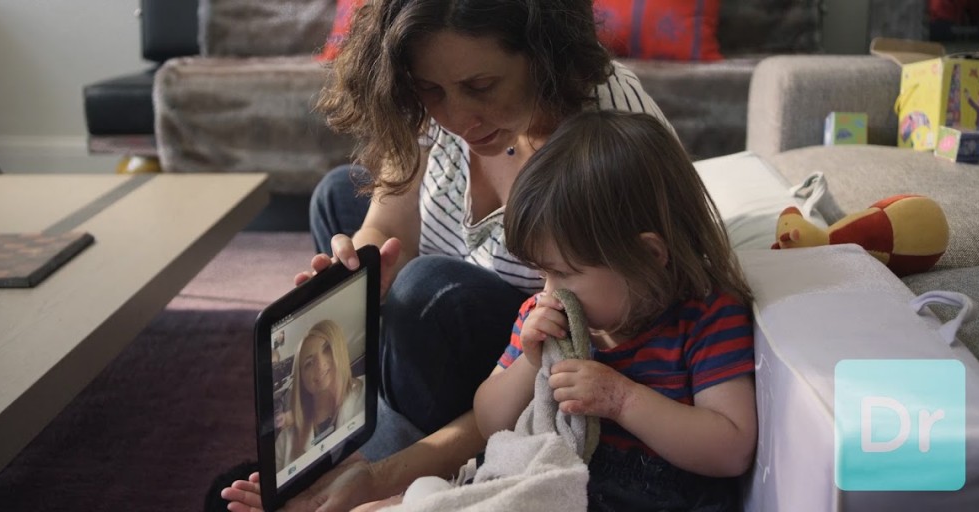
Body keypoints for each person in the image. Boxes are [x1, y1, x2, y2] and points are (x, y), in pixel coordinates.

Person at [222, 0, 673, 509]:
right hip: (448, 330)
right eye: (430, 91)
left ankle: (384, 456)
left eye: (481, 88)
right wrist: (365, 266)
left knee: (427, 293)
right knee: (335, 197)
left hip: (532, 357)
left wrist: (382, 476)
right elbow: (389, 216)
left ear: (543, 55)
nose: (457, 119)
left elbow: (603, 353)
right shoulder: (430, 81)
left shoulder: (601, 136)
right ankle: (361, 425)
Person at [474, 110, 757, 511]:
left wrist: (623, 401)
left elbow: (731, 449)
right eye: (542, 273)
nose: (549, 291)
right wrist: (529, 364)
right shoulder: (545, 317)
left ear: (647, 255)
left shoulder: (706, 318)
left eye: (563, 274)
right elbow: (489, 424)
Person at [276, 320, 366, 473]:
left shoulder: (369, 391)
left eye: (326, 350)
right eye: (309, 363)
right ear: (301, 380)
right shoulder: (284, 440)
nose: (320, 364)